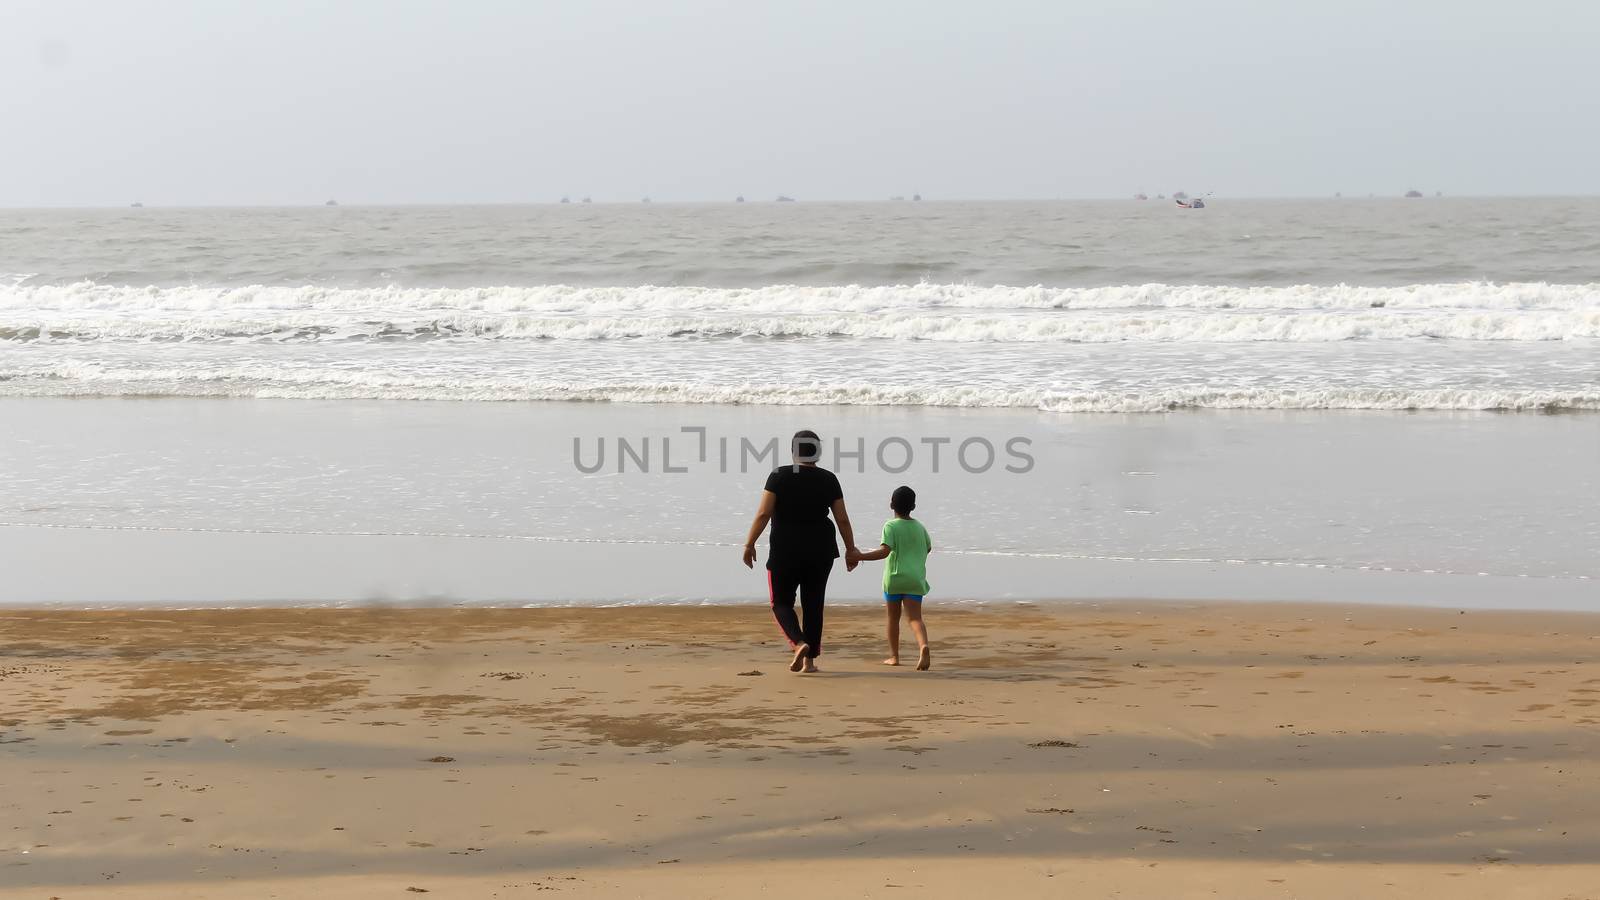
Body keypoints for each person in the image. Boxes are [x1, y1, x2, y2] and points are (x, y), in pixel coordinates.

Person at [742, 430, 859, 674]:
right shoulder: (829, 479)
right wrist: (851, 549)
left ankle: (799, 643)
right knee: (813, 604)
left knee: (781, 602)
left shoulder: (779, 475)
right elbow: (842, 519)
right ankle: (810, 662)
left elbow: (764, 513)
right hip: (821, 550)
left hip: (785, 549)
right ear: (818, 451)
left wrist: (749, 543)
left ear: (793, 451)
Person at [853, 485, 932, 670]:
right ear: (913, 506)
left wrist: (860, 556)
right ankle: (923, 646)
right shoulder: (920, 527)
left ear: (891, 505)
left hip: (895, 578)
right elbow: (928, 548)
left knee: (892, 618)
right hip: (915, 579)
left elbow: (884, 551)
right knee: (915, 618)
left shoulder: (890, 525)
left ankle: (894, 656)